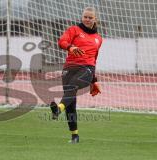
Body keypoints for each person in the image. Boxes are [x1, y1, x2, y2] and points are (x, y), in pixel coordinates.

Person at [50, 7, 102, 143]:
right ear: (82, 17)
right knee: (71, 102)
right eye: (85, 16)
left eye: (90, 17)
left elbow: (94, 60)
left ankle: (58, 110)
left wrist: (94, 81)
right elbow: (62, 42)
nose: (87, 19)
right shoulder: (73, 30)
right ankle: (75, 136)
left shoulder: (98, 38)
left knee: (72, 88)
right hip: (69, 68)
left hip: (87, 69)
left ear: (95, 19)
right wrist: (70, 47)